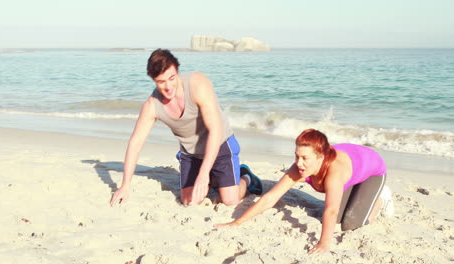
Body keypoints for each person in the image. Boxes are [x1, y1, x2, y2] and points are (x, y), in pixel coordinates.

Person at [110, 49, 262, 207]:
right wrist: (125, 185)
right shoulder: (152, 106)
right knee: (190, 201)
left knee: (230, 200)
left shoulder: (197, 83)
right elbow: (136, 143)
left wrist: (203, 175)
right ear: (153, 80)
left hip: (220, 145)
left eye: (171, 78)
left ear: (177, 70)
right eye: (161, 82)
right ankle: (214, 178)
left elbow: (215, 131)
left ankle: (245, 176)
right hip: (191, 154)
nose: (168, 87)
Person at [216, 128, 392, 253]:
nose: (298, 163)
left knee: (350, 225)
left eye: (305, 158)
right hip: (352, 170)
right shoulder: (300, 167)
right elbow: (271, 197)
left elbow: (330, 211)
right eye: (296, 156)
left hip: (372, 172)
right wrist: (236, 223)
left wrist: (323, 243)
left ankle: (382, 199)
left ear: (320, 157)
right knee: (336, 219)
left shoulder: (333, 172)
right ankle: (355, 189)